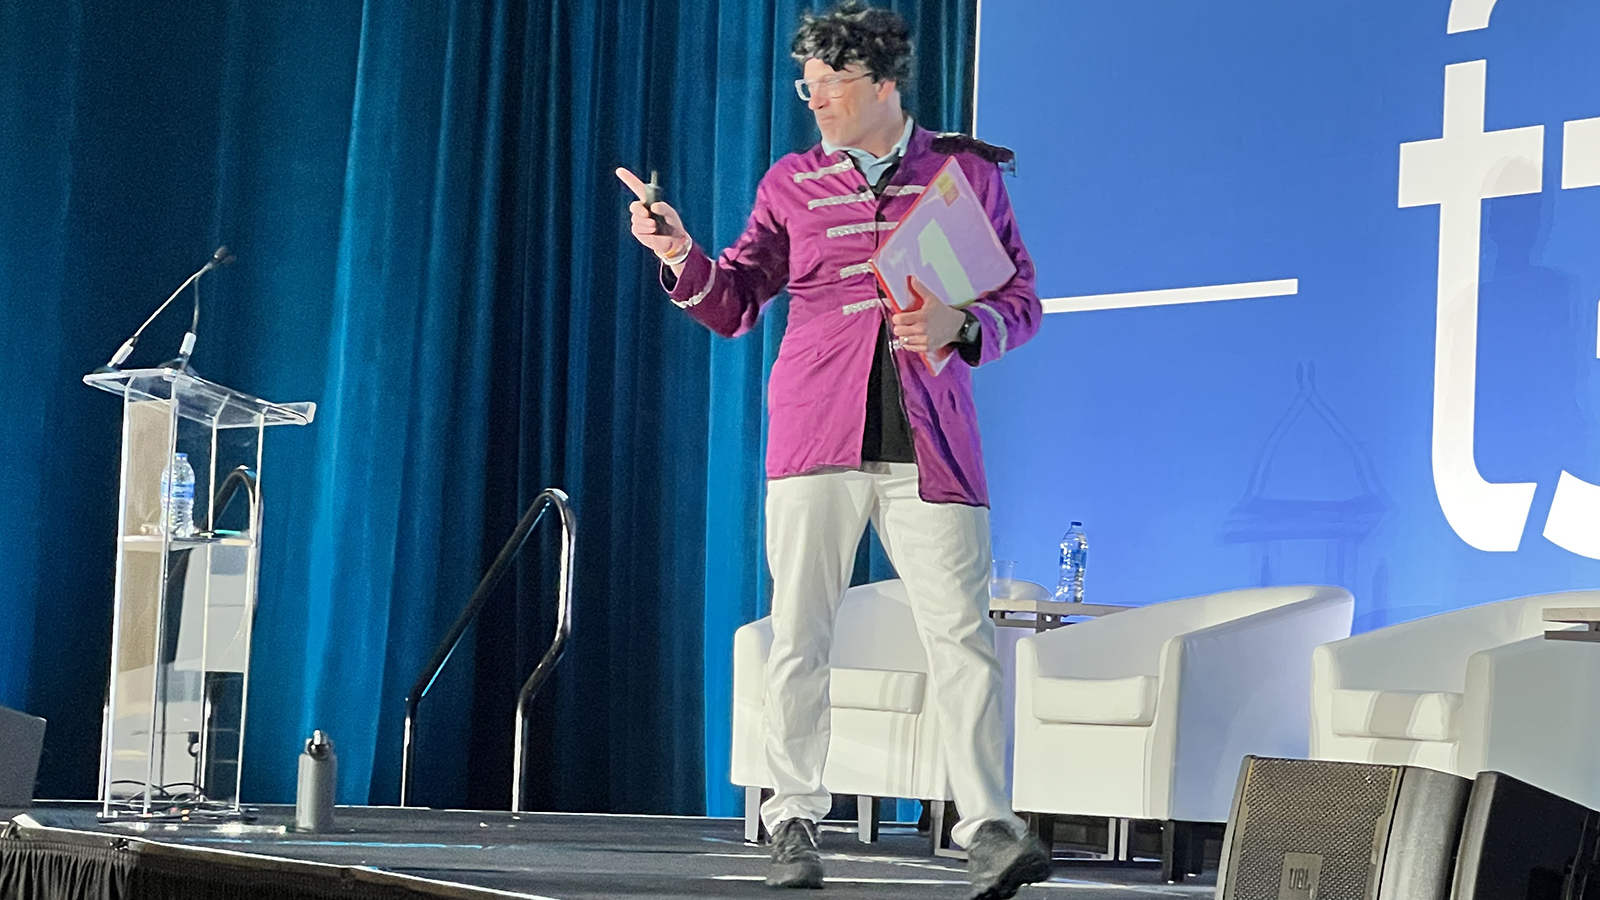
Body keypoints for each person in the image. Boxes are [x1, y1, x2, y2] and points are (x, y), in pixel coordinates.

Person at [617, 3, 1046, 897]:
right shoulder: (792, 183)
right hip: (815, 434)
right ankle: (794, 821)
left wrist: (961, 324)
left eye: (830, 85)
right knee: (800, 634)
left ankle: (991, 829)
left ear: (883, 84)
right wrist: (681, 252)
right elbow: (735, 301)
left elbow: (1022, 302)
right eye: (805, 85)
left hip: (933, 446)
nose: (813, 100)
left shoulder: (963, 174)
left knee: (962, 640)